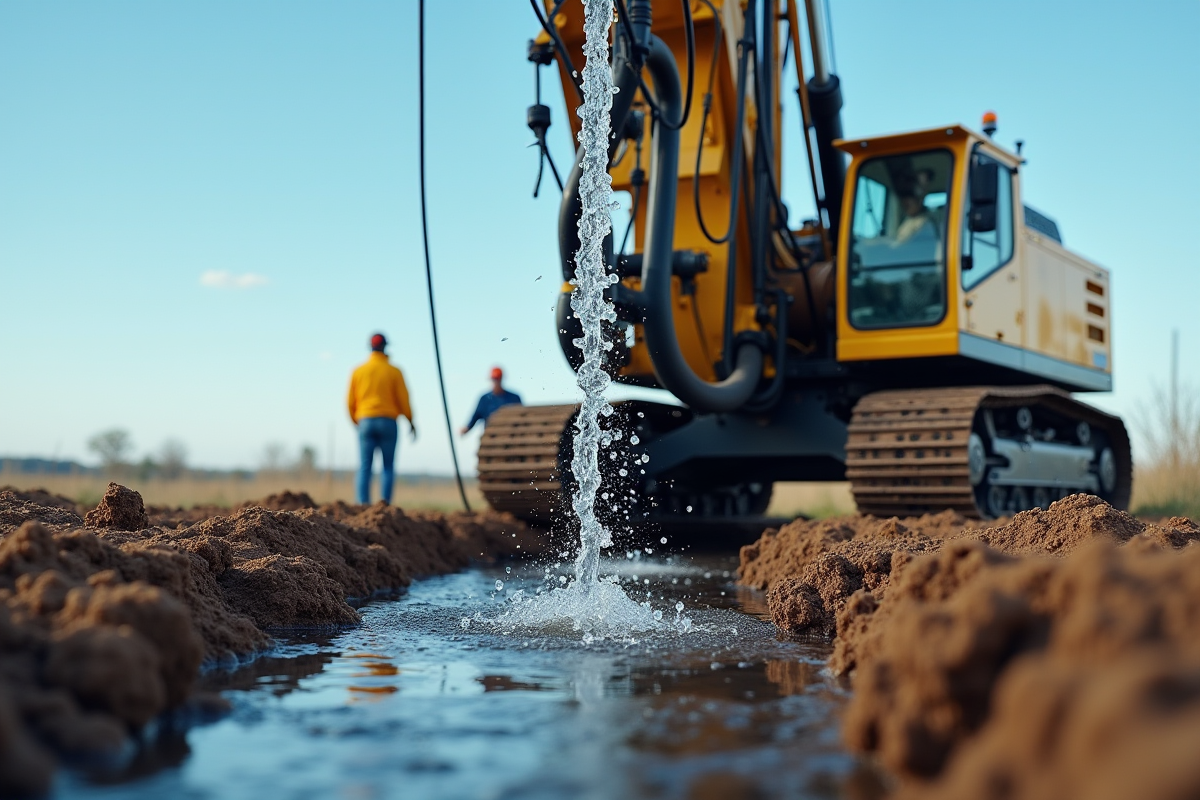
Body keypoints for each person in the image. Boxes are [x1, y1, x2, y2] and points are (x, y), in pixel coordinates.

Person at [347, 333, 415, 504]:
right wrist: (410, 420)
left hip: (365, 421)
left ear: (370, 347)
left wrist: (358, 422)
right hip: (388, 422)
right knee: (388, 466)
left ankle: (363, 506)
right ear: (386, 347)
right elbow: (403, 399)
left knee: (364, 467)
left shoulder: (359, 371)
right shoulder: (394, 371)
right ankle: (384, 507)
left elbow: (350, 401)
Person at [460, 367, 522, 434]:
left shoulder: (514, 398)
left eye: (498, 379)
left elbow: (522, 417)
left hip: (511, 435)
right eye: (494, 379)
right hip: (491, 436)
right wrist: (466, 428)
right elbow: (476, 416)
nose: (496, 382)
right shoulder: (485, 399)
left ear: (501, 379)